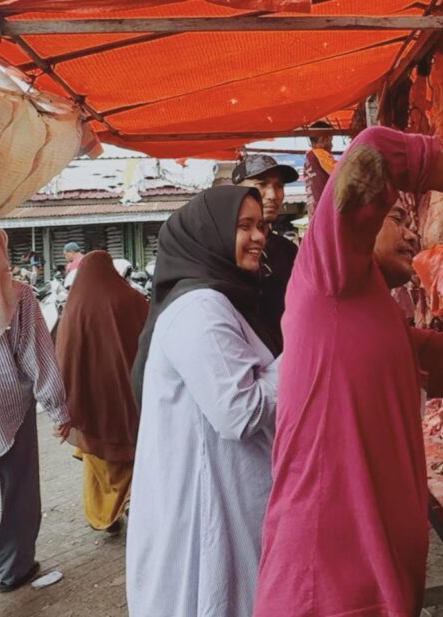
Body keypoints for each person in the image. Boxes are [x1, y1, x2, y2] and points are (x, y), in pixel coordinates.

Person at [252, 126, 443, 616]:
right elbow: (376, 147)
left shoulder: (380, 320)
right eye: (397, 218)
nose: (412, 233)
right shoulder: (326, 279)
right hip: (329, 582)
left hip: (383, 579)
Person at [126, 186, 281, 617]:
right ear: (207, 236)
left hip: (223, 491)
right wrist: (302, 357)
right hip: (205, 502)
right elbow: (240, 412)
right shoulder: (200, 308)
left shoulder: (219, 301)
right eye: (244, 226)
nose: (259, 237)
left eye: (261, 226)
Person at [0, 225, 70, 593]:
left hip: (11, 408)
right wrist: (58, 411)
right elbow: (38, 357)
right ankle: (15, 568)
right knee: (20, 493)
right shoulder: (18, 297)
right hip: (12, 411)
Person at [55, 251, 149, 535]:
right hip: (131, 396)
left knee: (98, 459)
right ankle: (133, 500)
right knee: (133, 453)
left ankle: (105, 515)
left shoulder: (76, 306)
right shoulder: (133, 299)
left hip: (93, 401)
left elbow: (65, 355)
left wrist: (65, 402)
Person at [232, 153, 299, 353]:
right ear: (237, 190)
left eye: (279, 186)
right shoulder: (222, 248)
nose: (272, 195)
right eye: (261, 184)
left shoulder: (288, 251)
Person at [303, 119, 336, 217]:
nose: (331, 145)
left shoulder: (309, 158)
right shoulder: (319, 153)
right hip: (323, 206)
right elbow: (337, 170)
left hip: (314, 207)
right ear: (323, 139)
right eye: (330, 139)